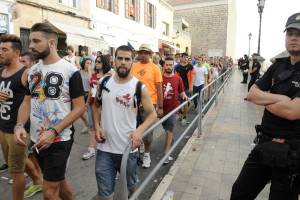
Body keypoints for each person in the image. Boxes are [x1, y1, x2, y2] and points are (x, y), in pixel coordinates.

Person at [230, 13, 300, 200]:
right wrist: (284, 99)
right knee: (239, 193)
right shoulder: (277, 66)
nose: (294, 37)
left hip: (292, 155)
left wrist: (267, 98)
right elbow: (252, 94)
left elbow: (293, 112)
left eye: (299, 34)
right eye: (290, 33)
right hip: (264, 144)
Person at [14, 22, 85, 200]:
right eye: (30, 41)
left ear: (52, 43)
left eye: (36, 41)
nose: (30, 46)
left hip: (60, 138)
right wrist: (19, 125)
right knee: (58, 180)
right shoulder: (33, 71)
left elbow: (79, 108)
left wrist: (54, 131)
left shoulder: (71, 70)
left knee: (49, 190)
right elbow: (26, 102)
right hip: (37, 138)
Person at [92, 45, 157, 200]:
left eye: (127, 59)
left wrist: (140, 130)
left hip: (128, 150)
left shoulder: (138, 87)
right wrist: (96, 126)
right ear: (114, 61)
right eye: (119, 58)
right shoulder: (104, 82)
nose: (123, 62)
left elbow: (152, 115)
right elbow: (95, 106)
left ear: (132, 62)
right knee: (106, 195)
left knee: (131, 188)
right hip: (104, 150)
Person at [0, 34, 31, 200]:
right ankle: (38, 179)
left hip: (18, 131)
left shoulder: (26, 73)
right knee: (16, 163)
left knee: (16, 172)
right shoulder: (1, 72)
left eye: (5, 50)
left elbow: (33, 101)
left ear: (17, 53)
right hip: (2, 128)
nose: (0, 53)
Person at [131, 44, 163, 168]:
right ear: (138, 54)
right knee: (133, 129)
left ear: (149, 54)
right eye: (141, 52)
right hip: (134, 103)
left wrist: (160, 107)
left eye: (145, 52)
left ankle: (147, 156)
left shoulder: (155, 68)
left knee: (148, 132)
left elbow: (159, 89)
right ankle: (135, 154)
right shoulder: (134, 67)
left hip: (150, 103)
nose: (143, 54)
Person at [82, 55, 112, 160]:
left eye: (99, 62)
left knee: (104, 126)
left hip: (104, 105)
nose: (96, 63)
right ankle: (91, 149)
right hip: (92, 105)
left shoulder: (109, 75)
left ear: (104, 63)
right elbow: (91, 89)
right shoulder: (94, 75)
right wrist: (87, 103)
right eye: (96, 62)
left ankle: (106, 147)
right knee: (92, 126)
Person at [162, 57, 189, 164]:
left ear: (174, 66)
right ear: (164, 66)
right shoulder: (159, 78)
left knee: (169, 131)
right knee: (165, 128)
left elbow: (182, 92)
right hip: (161, 110)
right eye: (167, 65)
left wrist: (185, 96)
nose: (168, 67)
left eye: (170, 65)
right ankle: (170, 140)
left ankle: (166, 154)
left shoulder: (178, 79)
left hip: (173, 110)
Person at [175, 52, 195, 125]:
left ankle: (184, 117)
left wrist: (191, 86)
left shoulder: (190, 67)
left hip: (187, 88)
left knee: (186, 103)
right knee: (178, 103)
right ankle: (180, 112)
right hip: (179, 88)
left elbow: (193, 77)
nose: (185, 58)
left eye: (187, 57)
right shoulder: (178, 67)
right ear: (182, 58)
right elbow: (176, 78)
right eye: (184, 57)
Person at [79, 58, 92, 134]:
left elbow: (90, 83)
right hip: (82, 94)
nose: (89, 65)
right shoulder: (80, 72)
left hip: (89, 93)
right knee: (80, 111)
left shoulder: (93, 73)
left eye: (90, 63)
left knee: (90, 112)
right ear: (84, 64)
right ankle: (87, 124)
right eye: (87, 63)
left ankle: (92, 127)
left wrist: (90, 72)